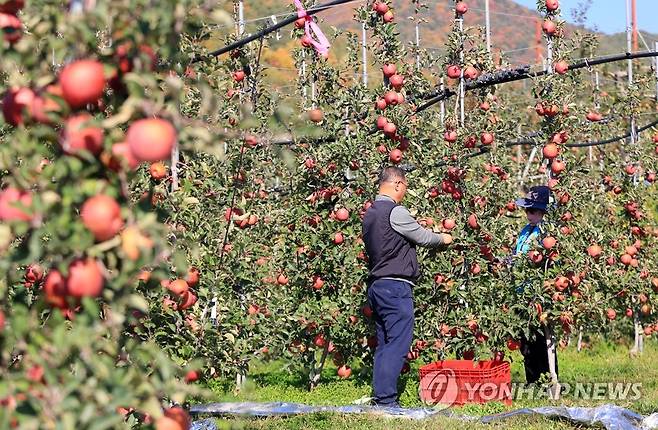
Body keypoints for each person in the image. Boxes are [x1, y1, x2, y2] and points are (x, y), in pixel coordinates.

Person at [362, 166, 453, 408]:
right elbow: (423, 238)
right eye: (406, 186)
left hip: (376, 286)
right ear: (398, 184)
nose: (406, 191)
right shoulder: (395, 211)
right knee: (398, 343)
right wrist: (443, 238)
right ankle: (386, 400)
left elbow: (393, 238)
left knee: (385, 343)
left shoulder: (370, 213)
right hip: (395, 286)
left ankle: (380, 396)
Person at [513, 185, 558, 384]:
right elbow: (519, 255)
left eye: (531, 211)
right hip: (522, 293)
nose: (527, 214)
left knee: (543, 339)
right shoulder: (525, 231)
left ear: (542, 212)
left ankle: (549, 380)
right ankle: (532, 381)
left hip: (539, 292)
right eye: (526, 210)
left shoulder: (547, 234)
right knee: (527, 341)